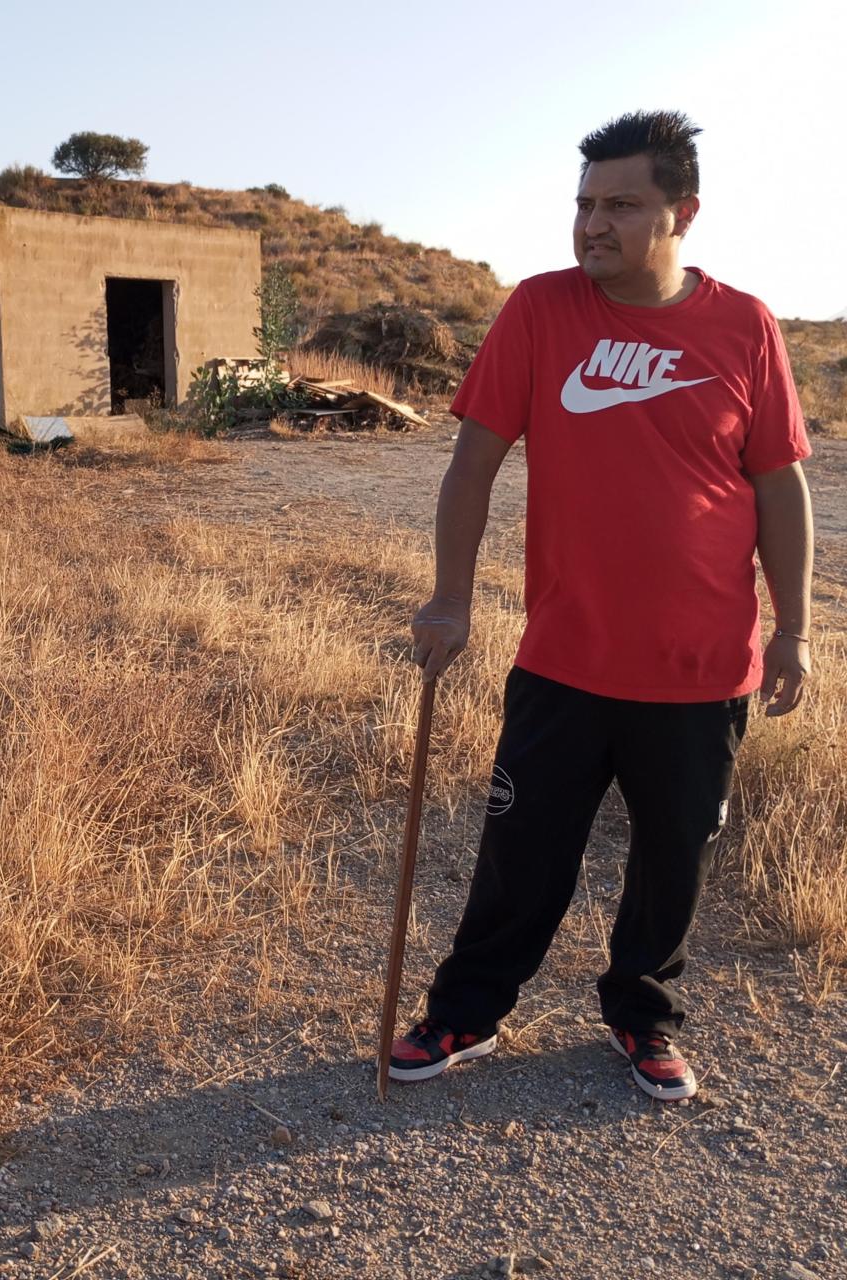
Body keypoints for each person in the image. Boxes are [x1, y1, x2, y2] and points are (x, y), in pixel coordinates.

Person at [391, 110, 814, 1102]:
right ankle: (466, 1009)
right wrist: (449, 598)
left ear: (682, 213)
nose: (591, 224)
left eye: (620, 204)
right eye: (584, 203)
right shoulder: (540, 310)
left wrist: (793, 627)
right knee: (520, 853)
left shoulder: (744, 326)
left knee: (673, 864)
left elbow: (778, 486)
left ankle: (642, 1014)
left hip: (700, 668)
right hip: (564, 658)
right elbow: (470, 465)